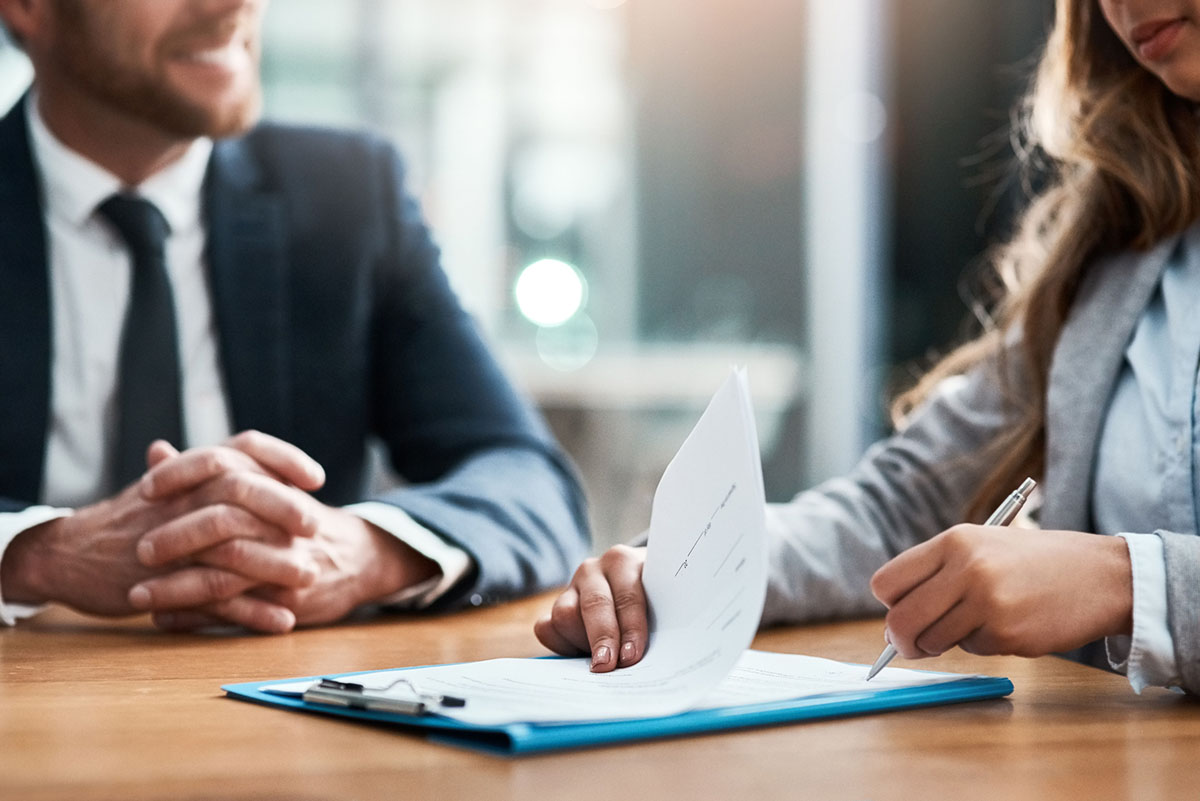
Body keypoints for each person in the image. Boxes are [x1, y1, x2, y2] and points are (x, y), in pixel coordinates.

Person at [535, 0, 1200, 695]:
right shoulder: (1122, 244)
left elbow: (1117, 579)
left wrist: (1128, 582)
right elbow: (900, 508)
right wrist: (681, 571)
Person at [0, 0, 588, 634]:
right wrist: (38, 557)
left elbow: (528, 481)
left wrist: (364, 553)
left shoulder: (348, 193)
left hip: (291, 700)